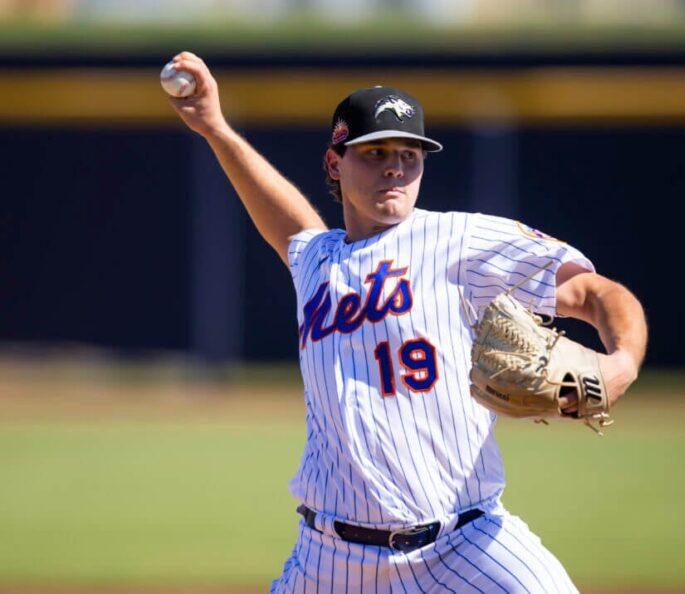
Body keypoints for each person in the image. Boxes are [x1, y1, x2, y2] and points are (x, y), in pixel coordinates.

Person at [167, 51, 648, 593]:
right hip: (329, 558)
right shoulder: (316, 261)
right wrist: (215, 127)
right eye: (375, 152)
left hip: (466, 543)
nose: (395, 167)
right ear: (335, 164)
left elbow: (595, 292)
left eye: (409, 154)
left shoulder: (459, 240)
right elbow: (288, 224)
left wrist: (623, 363)